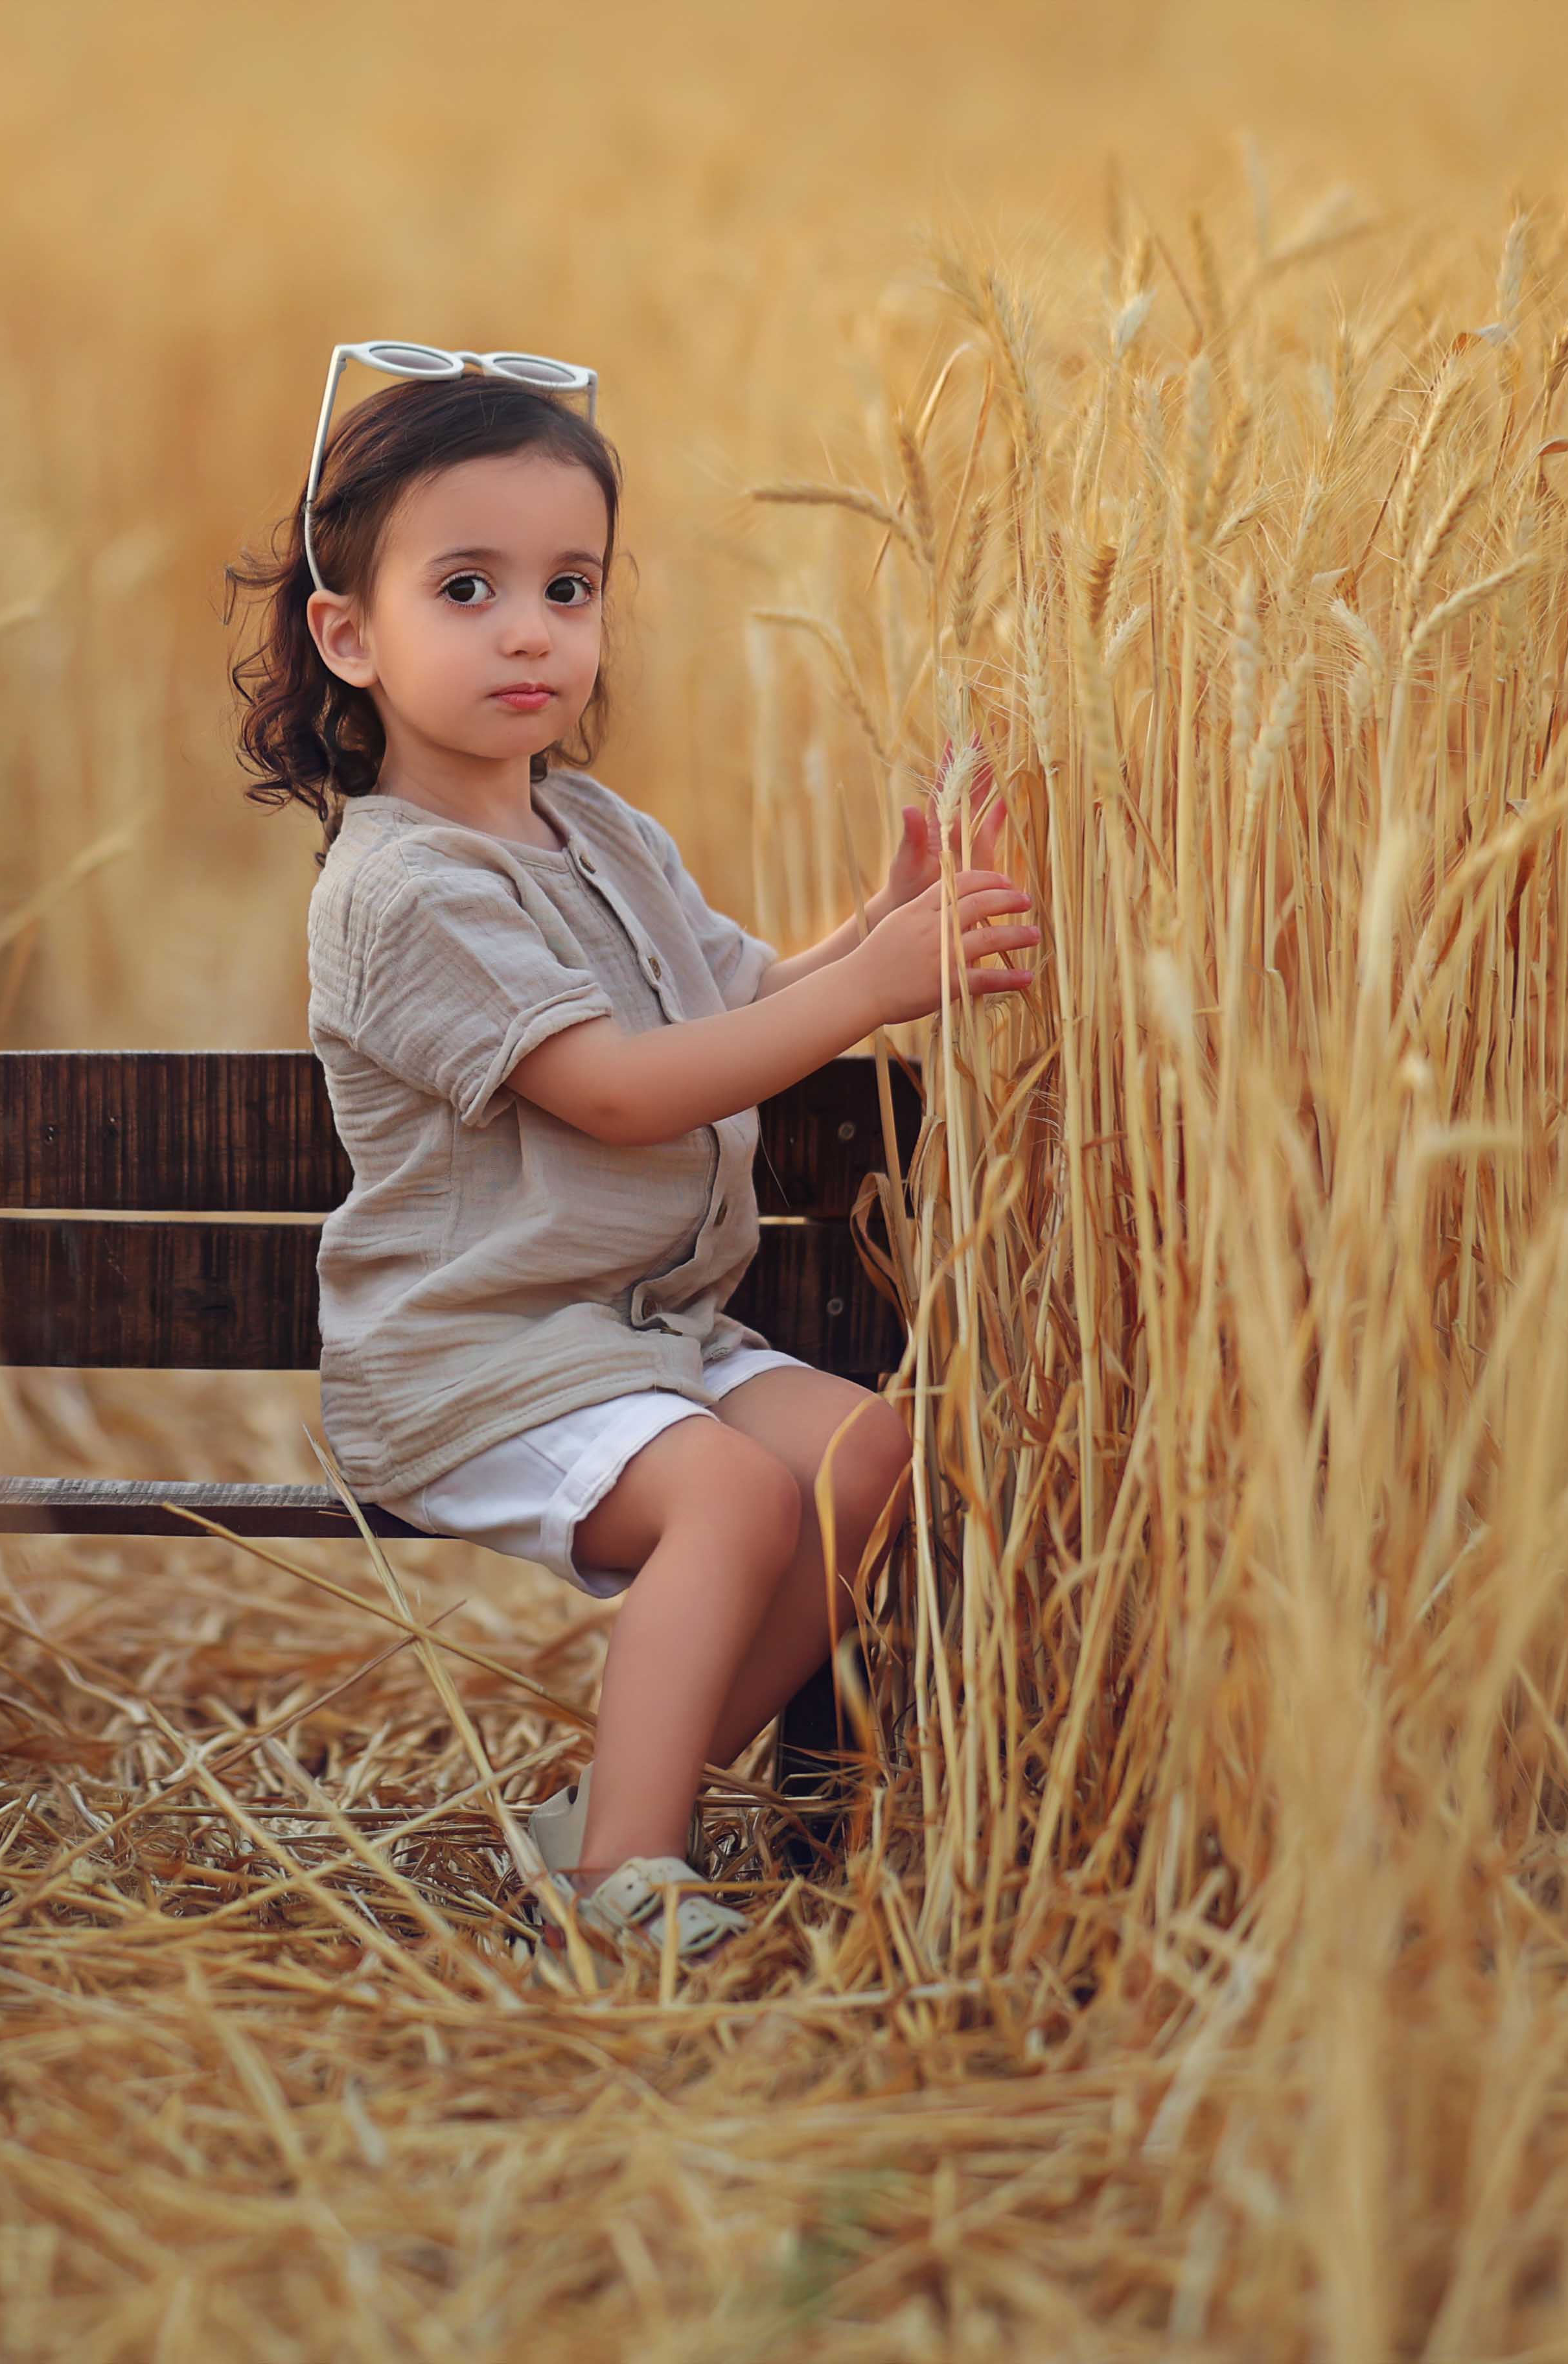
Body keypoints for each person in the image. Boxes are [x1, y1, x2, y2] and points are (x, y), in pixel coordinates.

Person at [222, 346, 1041, 1960]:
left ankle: (605, 1817)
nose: (531, 629)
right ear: (349, 635)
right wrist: (871, 992)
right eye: (467, 588)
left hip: (642, 1333)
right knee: (730, 1497)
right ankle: (618, 1883)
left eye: (570, 587)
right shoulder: (402, 890)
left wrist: (872, 936)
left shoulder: (600, 833)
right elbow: (612, 1092)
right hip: (478, 1351)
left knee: (865, 1455)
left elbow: (735, 1001)